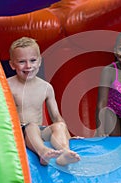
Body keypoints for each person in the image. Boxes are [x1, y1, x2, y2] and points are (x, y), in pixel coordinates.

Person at [7, 37, 81, 166]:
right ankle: (43, 152)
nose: (28, 66)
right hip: (19, 133)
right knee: (31, 126)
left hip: (39, 132)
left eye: (33, 60)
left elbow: (56, 116)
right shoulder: (7, 85)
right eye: (21, 62)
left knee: (59, 126)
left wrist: (67, 135)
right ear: (12, 64)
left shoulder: (46, 87)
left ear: (40, 61)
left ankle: (65, 152)